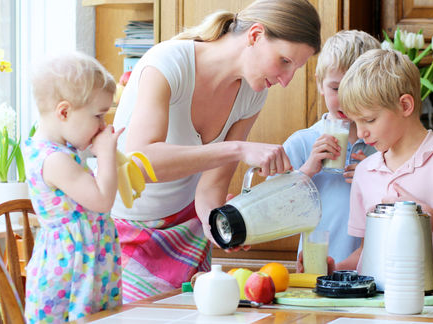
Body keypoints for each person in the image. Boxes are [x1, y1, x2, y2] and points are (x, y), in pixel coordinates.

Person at [111, 0, 321, 302]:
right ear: (255, 36)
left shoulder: (252, 93)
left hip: (187, 235)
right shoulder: (169, 63)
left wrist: (222, 226)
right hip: (125, 231)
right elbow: (141, 163)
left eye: (295, 69)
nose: (286, 81)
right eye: (285, 61)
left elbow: (209, 192)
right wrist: (236, 149)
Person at [338, 48, 433, 285]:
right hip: (377, 311)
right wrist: (335, 268)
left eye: (369, 120)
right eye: (355, 122)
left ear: (405, 106)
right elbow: (365, 253)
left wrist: (427, 216)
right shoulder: (365, 171)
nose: (361, 133)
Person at [23, 51, 123, 322]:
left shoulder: (61, 150)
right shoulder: (54, 160)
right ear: (64, 111)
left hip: (87, 267)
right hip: (67, 277)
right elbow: (102, 201)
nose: (103, 126)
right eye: (98, 116)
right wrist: (105, 154)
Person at [283, 30, 379, 274]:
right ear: (319, 83)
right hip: (317, 275)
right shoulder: (302, 144)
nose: (345, 100)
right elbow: (275, 213)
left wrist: (377, 176)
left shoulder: (384, 147)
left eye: (355, 89)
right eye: (336, 88)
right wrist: (307, 171)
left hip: (375, 277)